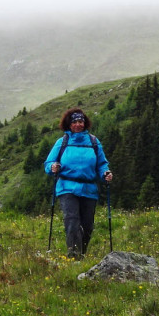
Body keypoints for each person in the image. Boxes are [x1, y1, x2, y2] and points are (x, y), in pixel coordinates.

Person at [45, 108, 112, 258]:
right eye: (74, 122)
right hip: (67, 187)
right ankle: (74, 255)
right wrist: (52, 167)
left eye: (80, 121)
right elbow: (48, 163)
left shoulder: (94, 142)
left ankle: (81, 253)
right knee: (72, 221)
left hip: (89, 188)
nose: (78, 124)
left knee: (87, 225)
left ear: (85, 123)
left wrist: (105, 173)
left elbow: (102, 164)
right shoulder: (62, 142)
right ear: (68, 124)